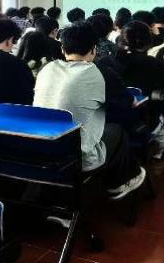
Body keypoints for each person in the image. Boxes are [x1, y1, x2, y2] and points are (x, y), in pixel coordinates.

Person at [33, 23, 146, 200]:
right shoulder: (100, 72)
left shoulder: (47, 69)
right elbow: (128, 103)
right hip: (78, 159)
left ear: (63, 49)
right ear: (94, 49)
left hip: (41, 151)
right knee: (117, 131)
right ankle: (118, 183)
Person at [97, 21, 164, 173]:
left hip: (105, 123)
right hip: (140, 121)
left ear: (121, 39)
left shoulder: (103, 63)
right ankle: (157, 158)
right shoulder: (154, 64)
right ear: (148, 42)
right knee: (163, 120)